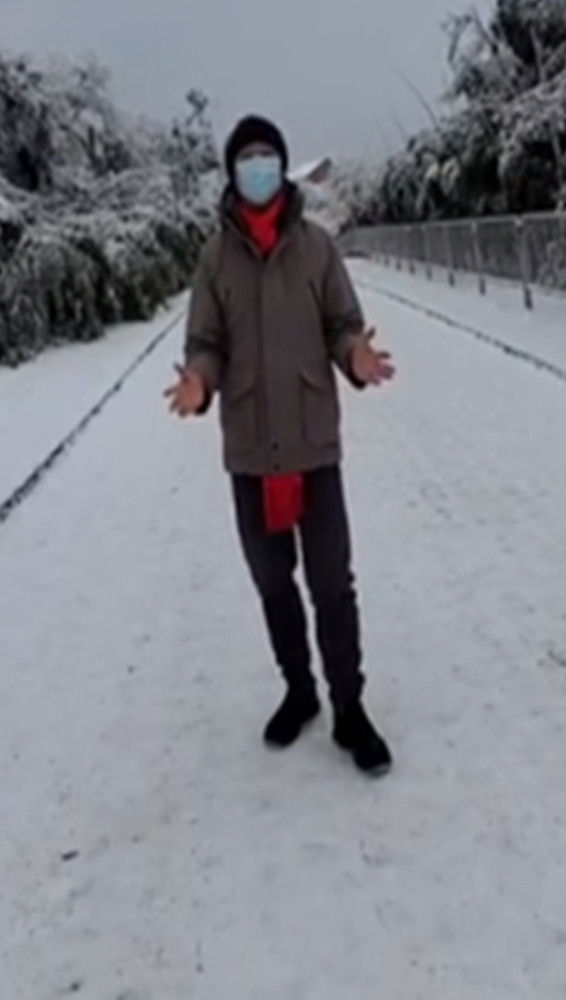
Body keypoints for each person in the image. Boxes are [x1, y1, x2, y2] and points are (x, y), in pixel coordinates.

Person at [166, 115, 398, 776]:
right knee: (273, 582)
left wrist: (354, 356)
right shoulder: (214, 258)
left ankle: (349, 708)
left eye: (269, 155)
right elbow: (205, 343)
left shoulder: (317, 248)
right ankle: (299, 691)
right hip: (249, 447)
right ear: (233, 172)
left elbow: (342, 324)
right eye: (248, 157)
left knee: (332, 582)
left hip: (313, 444)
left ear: (283, 165)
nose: (260, 166)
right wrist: (197, 381)